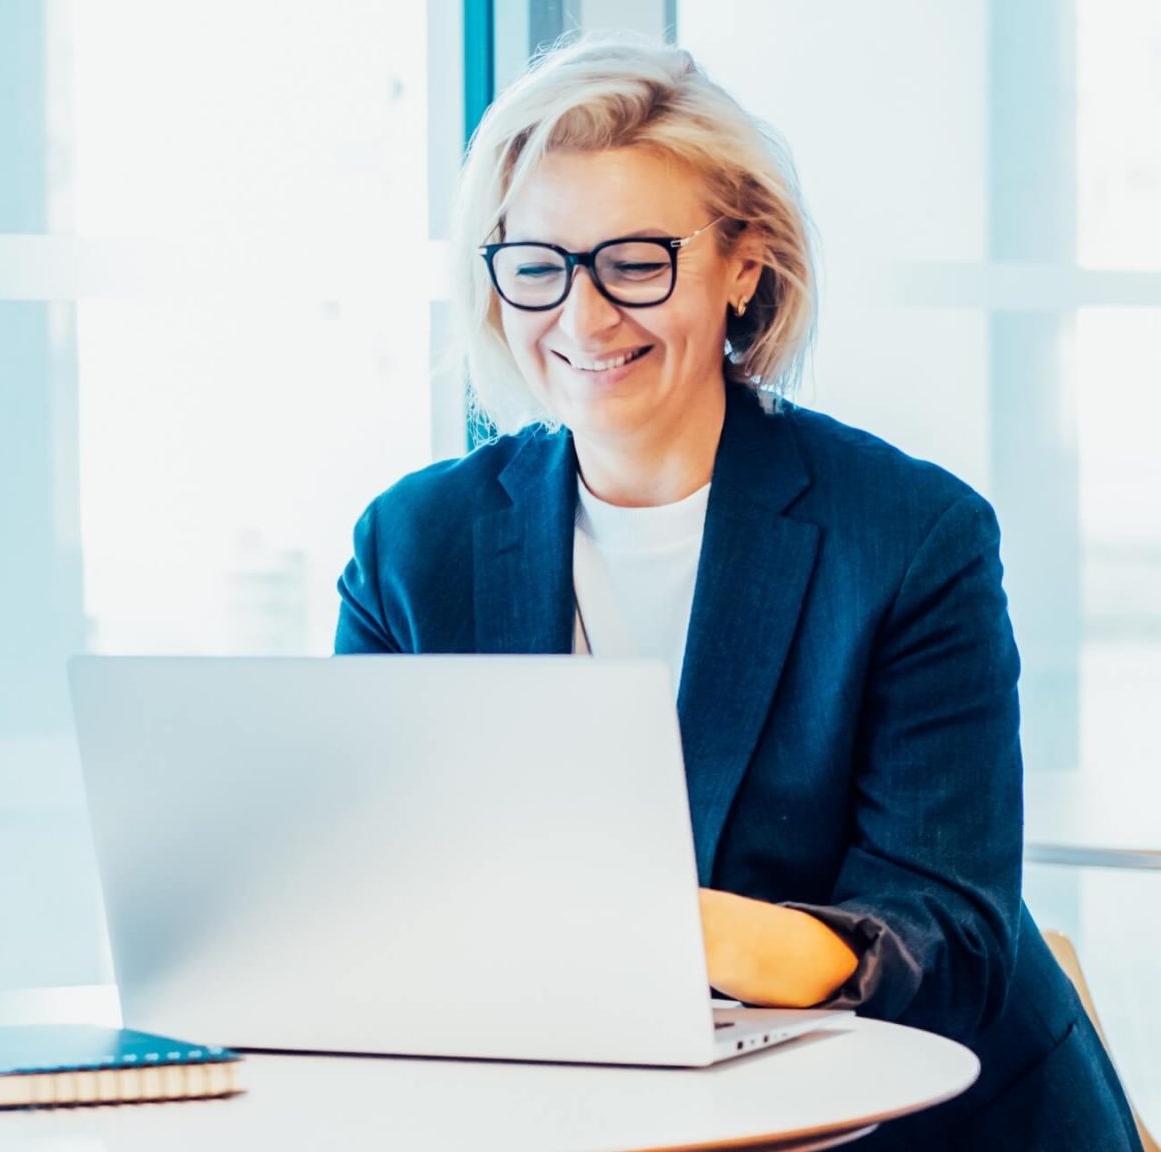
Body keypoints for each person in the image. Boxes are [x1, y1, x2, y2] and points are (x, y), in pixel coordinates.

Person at [334, 35, 1141, 1150]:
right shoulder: (411, 547)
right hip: (578, 1112)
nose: (581, 317)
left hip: (919, 1125)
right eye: (536, 264)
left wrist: (681, 935)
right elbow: (357, 887)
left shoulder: (909, 537)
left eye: (634, 262)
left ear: (743, 266)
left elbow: (950, 932)